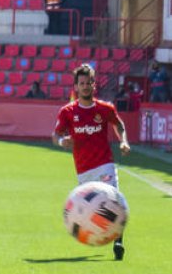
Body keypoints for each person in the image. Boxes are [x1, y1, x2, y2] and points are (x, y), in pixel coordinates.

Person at [52, 64, 130, 260]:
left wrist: (124, 141)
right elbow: (55, 134)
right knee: (91, 211)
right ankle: (98, 235)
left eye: (89, 83)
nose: (85, 86)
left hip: (105, 164)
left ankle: (118, 240)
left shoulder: (105, 109)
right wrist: (62, 141)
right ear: (76, 87)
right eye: (82, 83)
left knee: (113, 201)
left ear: (94, 85)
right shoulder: (68, 112)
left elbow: (119, 125)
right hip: (83, 170)